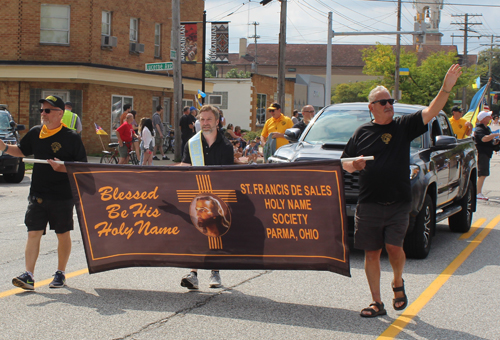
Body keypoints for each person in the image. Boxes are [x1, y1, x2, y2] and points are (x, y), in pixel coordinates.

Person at [341, 64, 462, 318]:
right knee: (371, 253)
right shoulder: (361, 133)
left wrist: (445, 88)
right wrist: (354, 163)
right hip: (369, 203)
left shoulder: (403, 126)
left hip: (397, 203)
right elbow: (344, 163)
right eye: (382, 101)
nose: (388, 104)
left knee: (394, 248)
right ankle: (377, 302)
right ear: (371, 107)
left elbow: (431, 111)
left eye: (390, 100)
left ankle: (397, 281)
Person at [0, 95, 87, 290]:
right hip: (37, 193)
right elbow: (22, 151)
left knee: (62, 234)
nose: (43, 114)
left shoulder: (71, 137)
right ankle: (29, 275)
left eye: (48, 110)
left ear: (60, 114)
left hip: (62, 195)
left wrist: (63, 167)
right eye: (42, 110)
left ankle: (60, 273)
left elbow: (82, 166)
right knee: (33, 233)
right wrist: (5, 147)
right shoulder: (36, 132)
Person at [180, 104, 233, 289]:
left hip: (217, 197)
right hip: (196, 195)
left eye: (209, 119)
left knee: (214, 232)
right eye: (202, 119)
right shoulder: (192, 143)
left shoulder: (226, 146)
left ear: (217, 121)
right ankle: (192, 273)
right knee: (194, 233)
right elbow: (186, 166)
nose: (205, 123)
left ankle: (215, 271)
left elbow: (226, 176)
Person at [474, 110, 500, 200]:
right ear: (484, 119)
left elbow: (489, 140)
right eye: (488, 116)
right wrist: (494, 135)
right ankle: (477, 193)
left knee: (484, 173)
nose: (490, 118)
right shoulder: (479, 129)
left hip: (487, 153)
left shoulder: (486, 129)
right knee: (482, 173)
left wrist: (496, 142)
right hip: (482, 153)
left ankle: (478, 192)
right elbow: (484, 139)